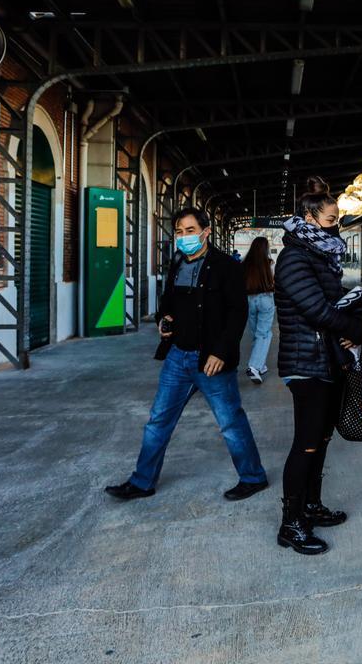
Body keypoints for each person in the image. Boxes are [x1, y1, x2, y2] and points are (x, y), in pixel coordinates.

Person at [105, 207, 268, 502]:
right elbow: (168, 303)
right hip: (178, 357)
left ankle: (253, 476)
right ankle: (142, 482)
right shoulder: (177, 262)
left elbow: (237, 312)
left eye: (189, 231)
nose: (183, 237)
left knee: (230, 422)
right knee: (158, 421)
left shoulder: (226, 266)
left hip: (210, 361)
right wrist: (163, 322)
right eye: (179, 232)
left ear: (206, 232)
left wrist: (221, 351)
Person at [273, 176, 362, 555]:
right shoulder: (295, 257)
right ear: (309, 218)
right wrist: (357, 328)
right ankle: (291, 524)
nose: (336, 226)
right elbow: (317, 310)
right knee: (306, 445)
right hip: (306, 363)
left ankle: (310, 506)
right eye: (330, 221)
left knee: (321, 441)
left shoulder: (317, 254)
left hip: (323, 360)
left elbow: (334, 300)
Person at [242, 236, 276, 385]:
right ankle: (254, 366)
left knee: (257, 333)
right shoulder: (269, 263)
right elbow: (274, 281)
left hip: (249, 300)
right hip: (266, 299)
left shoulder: (245, 264)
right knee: (264, 334)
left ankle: (261, 365)